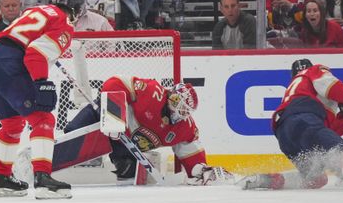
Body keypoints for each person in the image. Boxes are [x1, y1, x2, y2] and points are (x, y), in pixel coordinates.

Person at [0, 0, 85, 198]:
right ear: (75, 8)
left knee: (12, 123)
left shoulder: (35, 10)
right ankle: (43, 179)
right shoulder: (63, 23)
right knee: (43, 118)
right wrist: (41, 82)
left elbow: (28, 42)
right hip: (10, 62)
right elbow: (35, 54)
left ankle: (1, 178)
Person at [241, 59, 343, 192]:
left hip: (284, 135)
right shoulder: (313, 71)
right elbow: (334, 87)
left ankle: (269, 180)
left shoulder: (298, 93)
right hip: (303, 120)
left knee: (315, 178)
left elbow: (323, 133)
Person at [60, 78, 231, 185]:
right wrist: (114, 116)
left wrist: (199, 170)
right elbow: (115, 83)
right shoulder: (153, 92)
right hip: (106, 118)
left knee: (128, 172)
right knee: (72, 136)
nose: (180, 112)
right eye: (179, 105)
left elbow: (192, 156)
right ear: (172, 97)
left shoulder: (185, 128)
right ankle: (43, 164)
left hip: (124, 144)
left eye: (185, 110)